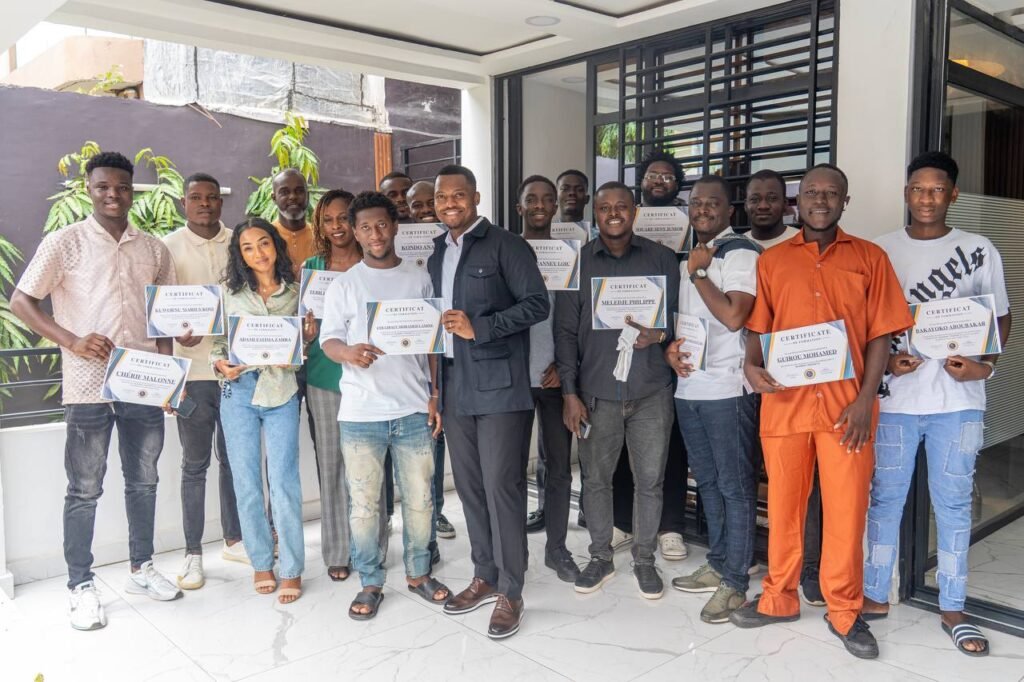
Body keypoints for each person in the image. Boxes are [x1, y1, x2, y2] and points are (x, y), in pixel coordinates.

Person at [731, 164, 913, 661]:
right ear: (798, 200)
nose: (820, 199)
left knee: (846, 513)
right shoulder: (773, 262)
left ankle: (844, 610)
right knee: (784, 507)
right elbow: (758, 330)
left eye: (831, 193)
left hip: (846, 411)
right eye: (811, 191)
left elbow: (881, 333)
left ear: (844, 202)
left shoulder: (870, 258)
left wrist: (865, 400)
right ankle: (778, 598)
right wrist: (750, 367)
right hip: (785, 406)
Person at [11, 151, 182, 631]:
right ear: (88, 188)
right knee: (84, 488)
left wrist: (168, 377)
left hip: (143, 383)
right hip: (88, 386)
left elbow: (164, 318)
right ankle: (80, 585)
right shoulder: (64, 242)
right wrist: (71, 340)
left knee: (144, 481)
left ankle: (141, 568)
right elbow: (21, 301)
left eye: (122, 187)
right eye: (103, 186)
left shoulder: (153, 250)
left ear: (132, 191)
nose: (113, 195)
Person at [862, 151, 1011, 656]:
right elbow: (865, 324)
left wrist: (985, 365)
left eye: (937, 189)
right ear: (906, 193)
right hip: (896, 402)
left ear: (953, 194)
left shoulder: (978, 249)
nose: (927, 198)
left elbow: (1000, 317)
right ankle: (874, 595)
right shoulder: (879, 250)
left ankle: (953, 607)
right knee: (885, 500)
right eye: (918, 189)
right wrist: (886, 363)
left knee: (953, 504)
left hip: (959, 401)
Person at [428, 164, 549, 639]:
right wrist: (435, 391)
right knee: (470, 487)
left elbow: (536, 304)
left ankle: (512, 591)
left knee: (502, 487)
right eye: (442, 197)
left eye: (458, 195)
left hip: (500, 385)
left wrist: (481, 327)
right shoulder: (438, 252)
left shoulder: (506, 245)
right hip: (455, 385)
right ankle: (486, 575)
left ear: (476, 198)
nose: (449, 204)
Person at [320, 190, 451, 620]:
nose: (375, 234)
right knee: (364, 506)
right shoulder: (345, 285)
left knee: (420, 501)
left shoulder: (419, 277)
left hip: (412, 409)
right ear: (355, 233)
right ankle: (371, 581)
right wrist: (349, 352)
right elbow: (328, 340)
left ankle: (418, 573)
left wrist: (434, 395)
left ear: (394, 227)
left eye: (381, 225)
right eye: (365, 227)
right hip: (361, 414)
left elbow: (433, 344)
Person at [556, 181, 680, 600]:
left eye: (621, 206)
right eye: (604, 207)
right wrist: (569, 393)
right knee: (595, 481)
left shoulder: (662, 258)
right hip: (596, 393)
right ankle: (600, 557)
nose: (613, 213)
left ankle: (644, 560)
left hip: (651, 390)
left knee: (650, 481)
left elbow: (676, 320)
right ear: (595, 214)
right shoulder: (578, 263)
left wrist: (657, 334)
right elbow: (565, 332)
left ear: (635, 211)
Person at [665, 175, 760, 623]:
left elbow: (735, 316)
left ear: (729, 210)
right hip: (690, 388)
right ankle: (719, 563)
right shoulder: (693, 254)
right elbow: (688, 319)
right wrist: (669, 349)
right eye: (696, 203)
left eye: (712, 203)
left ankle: (736, 582)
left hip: (727, 389)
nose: (702, 209)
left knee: (734, 487)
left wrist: (700, 273)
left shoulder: (739, 252)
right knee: (707, 482)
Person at [212, 218, 307, 605]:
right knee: (247, 484)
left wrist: (295, 354)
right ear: (240, 255)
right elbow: (217, 346)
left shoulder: (296, 293)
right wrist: (221, 364)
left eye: (264, 243)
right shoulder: (227, 293)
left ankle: (292, 568)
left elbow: (303, 348)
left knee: (284, 483)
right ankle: (261, 562)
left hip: (282, 392)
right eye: (248, 247)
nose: (258, 253)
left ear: (275, 245)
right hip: (239, 394)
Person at [744, 169, 824, 606]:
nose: (763, 205)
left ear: (787, 203)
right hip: (747, 384)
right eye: (755, 197)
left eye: (772, 197)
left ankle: (809, 568)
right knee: (760, 481)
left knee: (806, 486)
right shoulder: (736, 247)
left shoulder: (807, 245)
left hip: (803, 390)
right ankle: (759, 562)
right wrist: (750, 365)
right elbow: (756, 323)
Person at [163, 172, 247, 591]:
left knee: (235, 460)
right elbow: (158, 310)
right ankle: (193, 554)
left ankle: (236, 540)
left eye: (212, 197)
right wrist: (177, 331)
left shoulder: (239, 242)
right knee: (194, 465)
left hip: (235, 368)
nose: (204, 204)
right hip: (191, 375)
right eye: (196, 197)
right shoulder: (167, 247)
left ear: (221, 202)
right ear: (184, 203)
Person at [608, 150, 690, 562]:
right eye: (653, 175)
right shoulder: (620, 226)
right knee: (623, 442)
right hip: (621, 352)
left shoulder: (691, 228)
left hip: (667, 351)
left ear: (678, 185)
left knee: (669, 444)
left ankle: (670, 526)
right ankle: (623, 522)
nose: (660, 181)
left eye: (668, 176)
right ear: (641, 182)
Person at [301, 189, 373, 583]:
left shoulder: (373, 261)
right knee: (331, 466)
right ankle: (337, 550)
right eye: (328, 220)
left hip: (369, 378)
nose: (336, 227)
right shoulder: (312, 268)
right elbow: (304, 330)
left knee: (369, 469)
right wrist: (307, 332)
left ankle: (372, 547)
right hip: (324, 377)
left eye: (343, 218)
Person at [516, 175, 579, 582]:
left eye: (547, 199)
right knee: (511, 472)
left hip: (556, 379)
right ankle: (514, 554)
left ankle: (557, 549)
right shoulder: (505, 250)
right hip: (514, 380)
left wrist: (564, 365)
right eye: (531, 199)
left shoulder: (569, 254)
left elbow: (576, 318)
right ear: (519, 206)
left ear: (556, 207)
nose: (539, 205)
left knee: (559, 469)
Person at [405, 179, 457, 548]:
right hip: (417, 358)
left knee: (445, 439)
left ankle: (437, 510)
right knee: (428, 440)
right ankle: (426, 514)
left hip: (453, 353)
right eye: (417, 205)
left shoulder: (453, 245)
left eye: (429, 202)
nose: (424, 210)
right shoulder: (396, 248)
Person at [271, 168, 316, 279]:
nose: (293, 197)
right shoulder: (265, 237)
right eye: (284, 192)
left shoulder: (322, 237)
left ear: (307, 196)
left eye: (299, 191)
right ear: (274, 198)